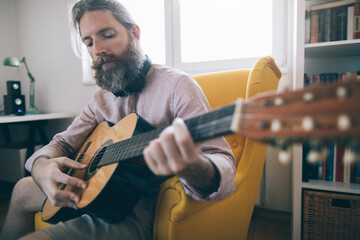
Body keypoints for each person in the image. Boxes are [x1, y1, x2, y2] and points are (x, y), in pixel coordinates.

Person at [0, 0, 236, 239]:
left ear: (134, 33)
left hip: (135, 210)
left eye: (107, 35)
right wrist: (41, 166)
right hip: (90, 190)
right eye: (89, 42)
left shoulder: (178, 86)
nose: (98, 49)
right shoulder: (101, 99)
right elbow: (63, 142)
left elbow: (222, 161)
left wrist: (191, 166)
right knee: (21, 189)